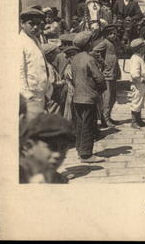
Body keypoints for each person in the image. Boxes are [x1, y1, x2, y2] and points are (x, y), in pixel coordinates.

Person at [70, 31, 106, 163]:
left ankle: (80, 149)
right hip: (88, 97)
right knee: (88, 125)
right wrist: (101, 89)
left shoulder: (75, 58)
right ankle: (86, 155)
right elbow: (99, 78)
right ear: (88, 43)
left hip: (77, 96)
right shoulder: (90, 59)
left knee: (80, 124)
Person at [19, 113, 75, 183]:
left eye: (63, 148)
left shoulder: (59, 181)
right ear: (29, 146)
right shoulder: (18, 177)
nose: (58, 154)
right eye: (52, 147)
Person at [20, 8, 52, 119]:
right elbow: (19, 72)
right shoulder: (20, 42)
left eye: (38, 24)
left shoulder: (35, 40)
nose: (35, 27)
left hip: (40, 94)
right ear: (22, 24)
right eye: (31, 23)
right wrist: (26, 95)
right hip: (30, 96)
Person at [92, 24, 121, 127]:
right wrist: (102, 62)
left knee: (113, 97)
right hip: (107, 73)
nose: (113, 35)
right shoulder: (105, 43)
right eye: (111, 34)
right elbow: (94, 51)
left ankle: (108, 116)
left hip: (113, 72)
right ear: (106, 35)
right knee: (107, 97)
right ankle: (105, 119)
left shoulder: (113, 43)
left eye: (115, 34)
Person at [128, 38, 145, 129]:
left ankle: (139, 120)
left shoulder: (139, 57)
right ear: (139, 48)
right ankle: (134, 121)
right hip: (138, 84)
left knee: (140, 102)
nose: (144, 48)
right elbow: (135, 74)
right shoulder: (136, 59)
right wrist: (142, 80)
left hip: (141, 85)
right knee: (136, 102)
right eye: (143, 47)